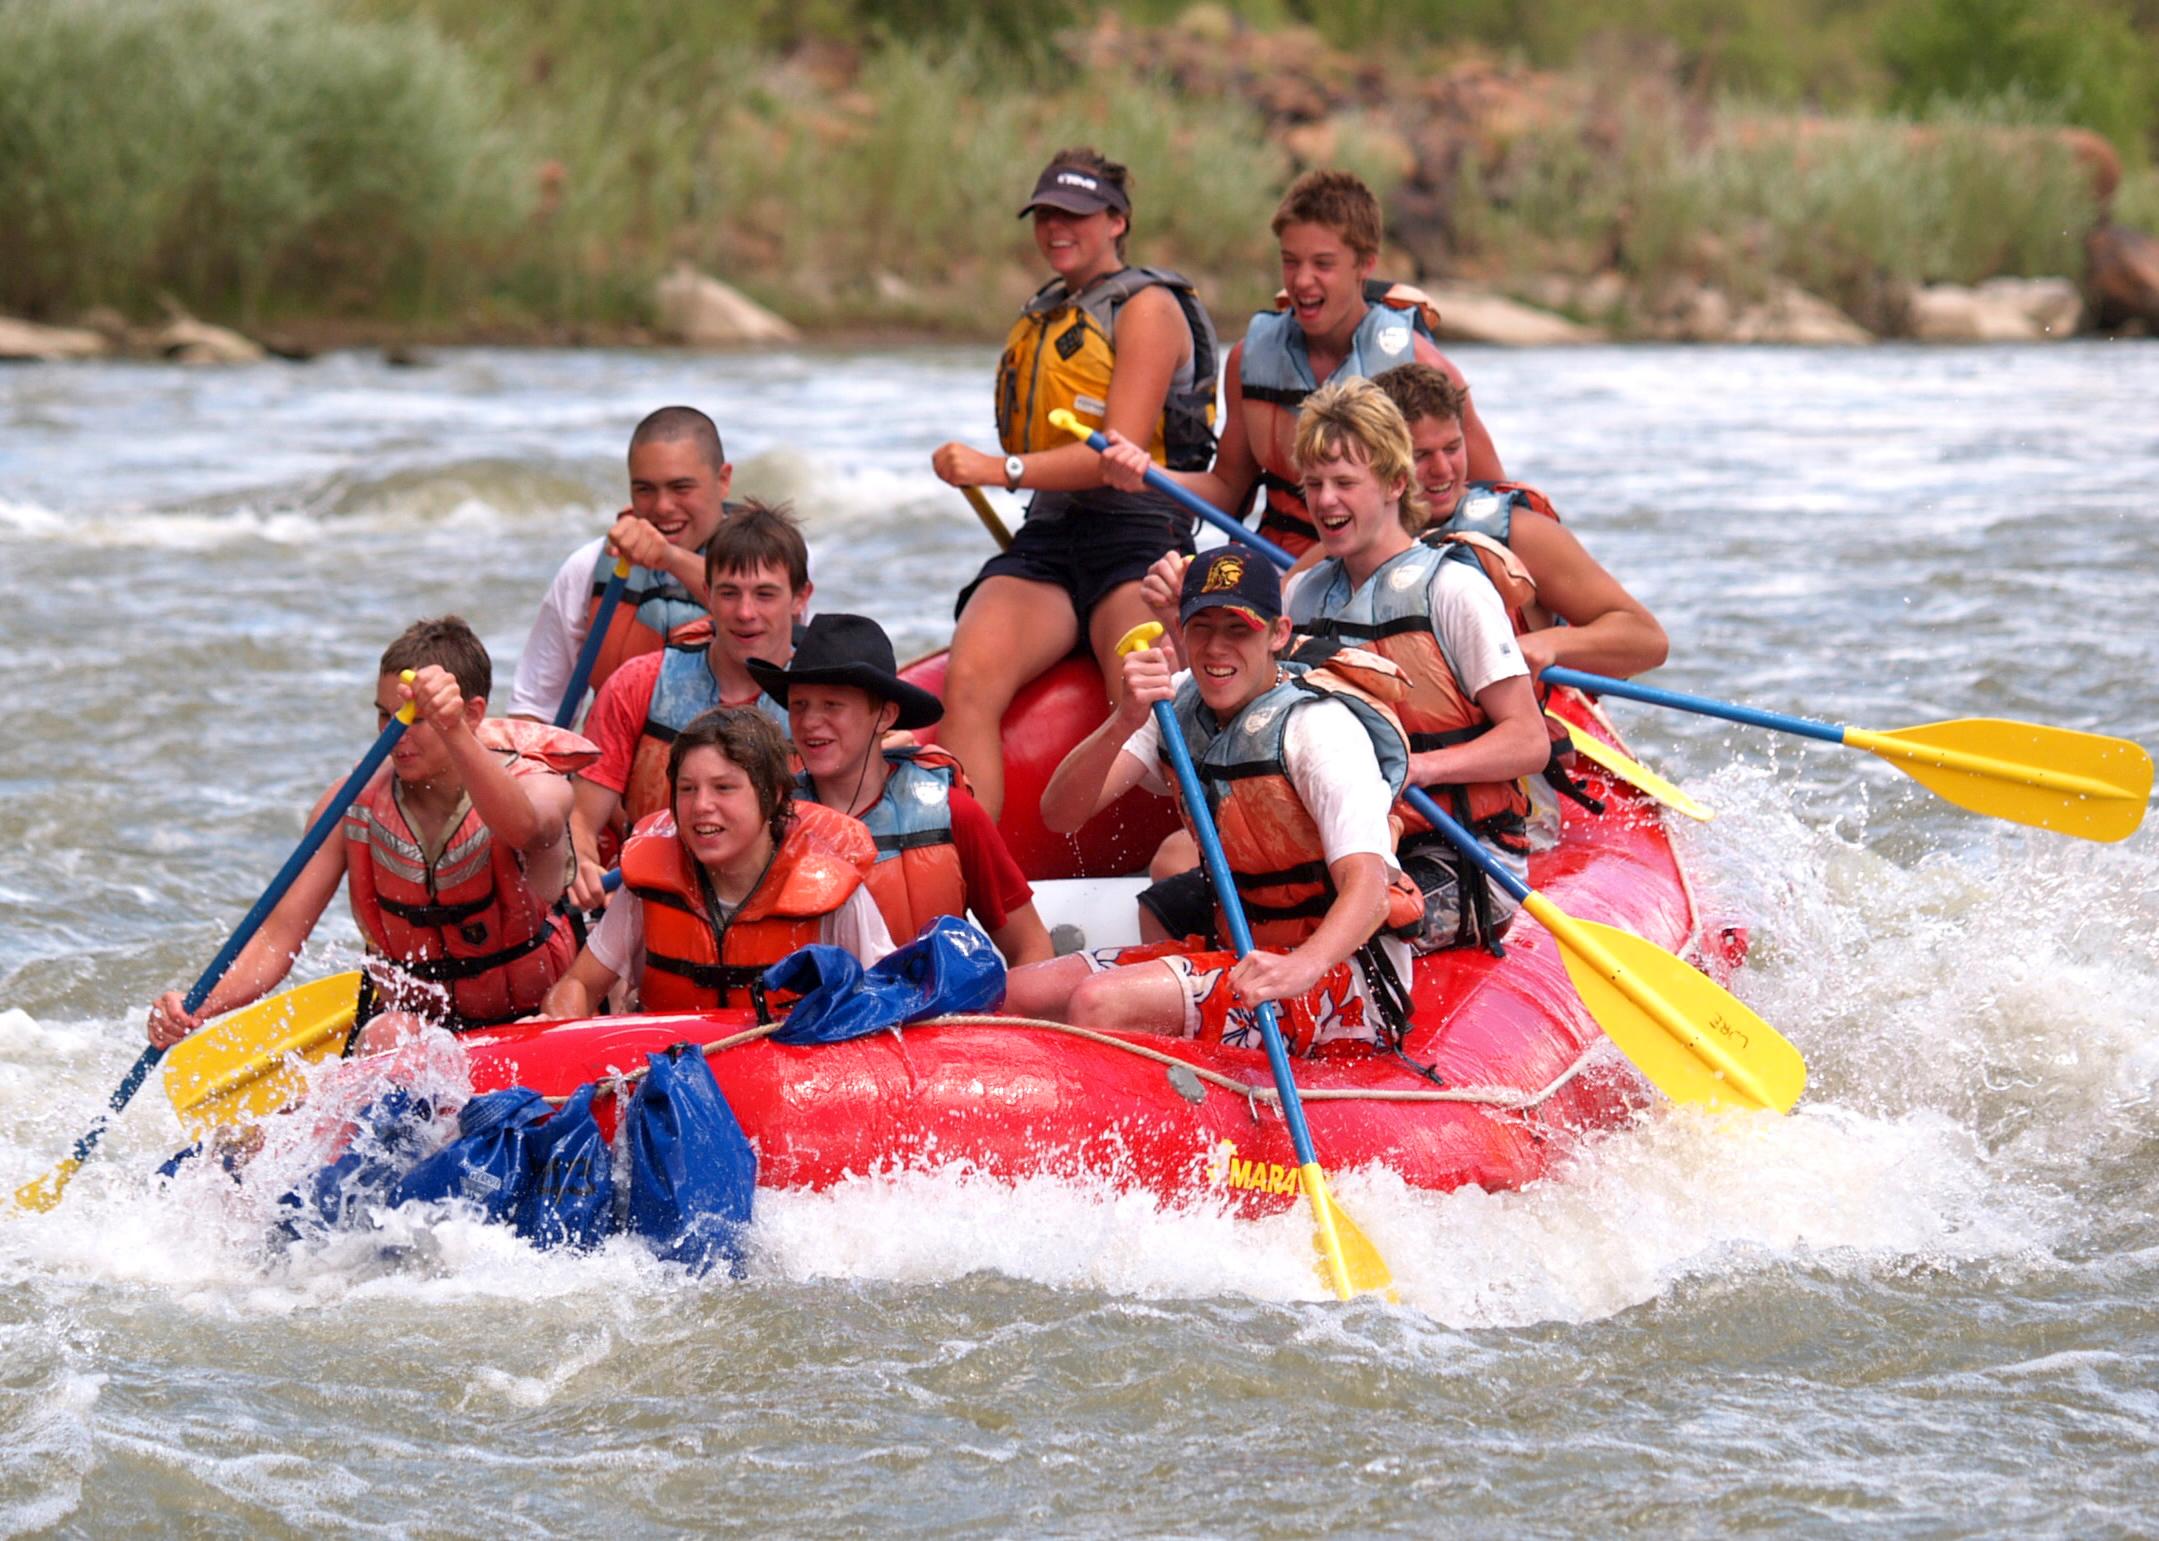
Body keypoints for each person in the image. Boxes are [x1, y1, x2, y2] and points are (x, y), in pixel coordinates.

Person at [1119, 378, 1549, 955]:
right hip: (1342, 839)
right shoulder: (1300, 596)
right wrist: (1179, 623)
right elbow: (1243, 702)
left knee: (1349, 920)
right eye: (1313, 484)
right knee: (1168, 907)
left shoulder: (1454, 590)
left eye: (1345, 483)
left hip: (1456, 849)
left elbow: (1528, 741)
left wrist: (1418, 768)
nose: (1323, 502)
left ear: (1397, 483)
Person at [1001, 545, 1428, 1053]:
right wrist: (1125, 720)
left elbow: (1370, 887)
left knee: (1099, 1003)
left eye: (1238, 628)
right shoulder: (1176, 702)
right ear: (1179, 632)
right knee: (1018, 993)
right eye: (1201, 627)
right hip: (1242, 951)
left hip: (1349, 978)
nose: (1216, 648)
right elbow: (1061, 814)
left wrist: (1299, 967)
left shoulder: (1320, 730)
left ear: (1278, 634)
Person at [929, 147, 1220, 818]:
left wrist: (995, 469)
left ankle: (1191, 855)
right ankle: (974, 887)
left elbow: (1115, 449)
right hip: (1050, 534)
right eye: (1046, 215)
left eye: (1077, 214)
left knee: (1142, 690)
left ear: (1117, 220)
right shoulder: (1047, 311)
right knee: (968, 680)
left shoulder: (1148, 308)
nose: (1057, 227)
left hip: (1138, 533)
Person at [147, 617, 592, 1054]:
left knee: (562, 1007)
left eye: (413, 719)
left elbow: (526, 828)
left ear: (472, 714)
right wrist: (197, 1006)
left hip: (534, 1025)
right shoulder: (348, 807)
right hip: (418, 1038)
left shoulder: (540, 784)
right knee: (387, 1035)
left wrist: (452, 729)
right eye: (385, 717)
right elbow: (276, 939)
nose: (394, 735)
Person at [1100, 169, 1502, 560]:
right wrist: (1148, 474)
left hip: (1385, 568)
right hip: (1277, 561)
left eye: (1322, 264)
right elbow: (1226, 490)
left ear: (1365, 264)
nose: (1302, 281)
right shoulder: (1249, 358)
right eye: (1291, 262)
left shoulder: (1423, 365)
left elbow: (1491, 497)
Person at [539, 709, 894, 1020]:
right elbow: (579, 985)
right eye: (687, 789)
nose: (700, 806)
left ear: (774, 796)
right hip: (668, 1076)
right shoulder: (647, 888)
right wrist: (558, 1021)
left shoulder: (835, 893)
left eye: (724, 788)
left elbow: (887, 1002)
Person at [745, 613, 1054, 967]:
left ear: (886, 716)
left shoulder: (955, 813)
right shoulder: (769, 820)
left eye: (832, 705)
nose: (810, 722)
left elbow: (1031, 947)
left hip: (933, 1018)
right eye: (799, 705)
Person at [567, 500, 809, 909]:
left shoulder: (823, 705)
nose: (745, 613)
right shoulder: (637, 683)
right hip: (651, 903)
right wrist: (580, 865)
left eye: (765, 594)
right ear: (707, 595)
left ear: (801, 598)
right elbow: (579, 821)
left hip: (776, 909)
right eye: (729, 593)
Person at [1371, 362, 1667, 680]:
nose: (1443, 469)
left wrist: (1549, 643)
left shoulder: (1523, 536)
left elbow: (1648, 640)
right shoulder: (1356, 542)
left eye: (1453, 448)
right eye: (1421, 455)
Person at [508, 405, 735, 723]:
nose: (662, 507)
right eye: (644, 489)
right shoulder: (587, 567)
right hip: (614, 765)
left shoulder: (778, 564)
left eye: (681, 487)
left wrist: (670, 559)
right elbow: (534, 712)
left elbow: (756, 618)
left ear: (723, 480)